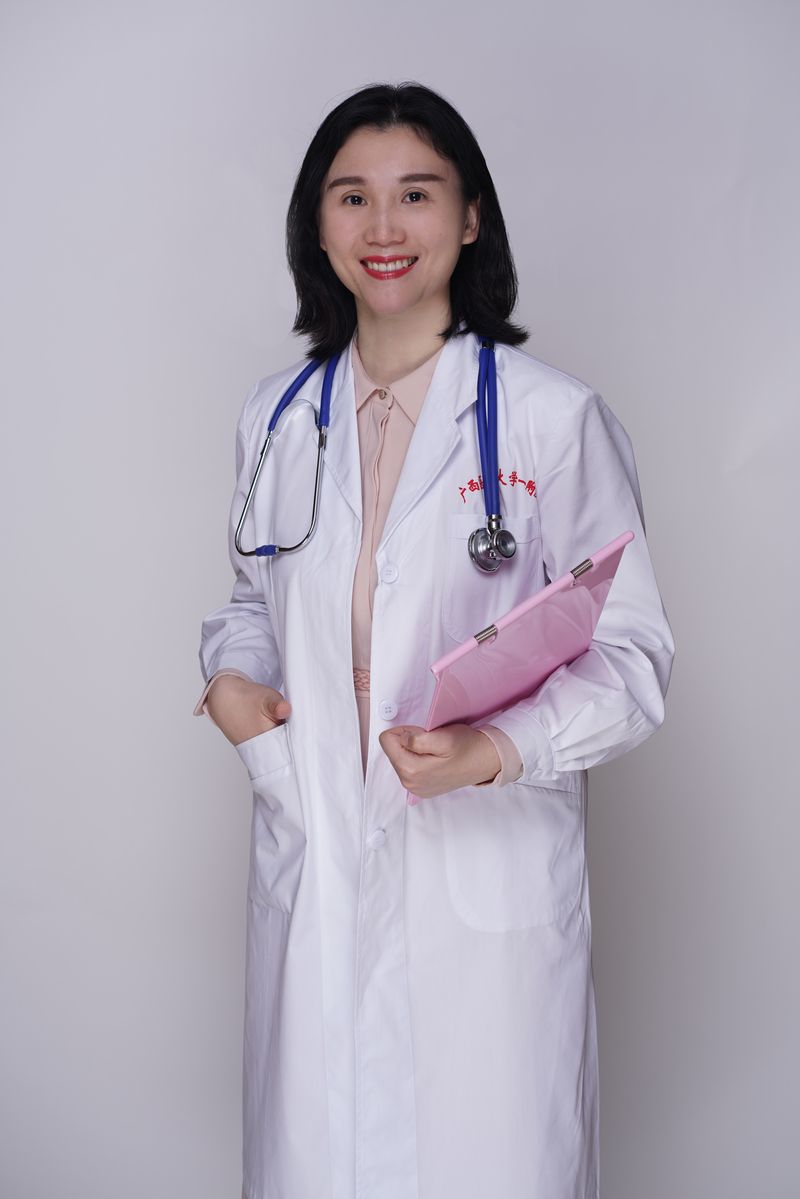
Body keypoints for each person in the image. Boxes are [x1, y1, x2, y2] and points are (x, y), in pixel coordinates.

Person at [195, 81, 675, 1199]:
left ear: (469, 217)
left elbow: (633, 657)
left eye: (416, 194)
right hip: (319, 862)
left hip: (482, 883)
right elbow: (252, 600)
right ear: (317, 225)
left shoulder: (552, 419)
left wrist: (497, 750)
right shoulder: (276, 419)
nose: (383, 225)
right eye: (351, 196)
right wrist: (232, 677)